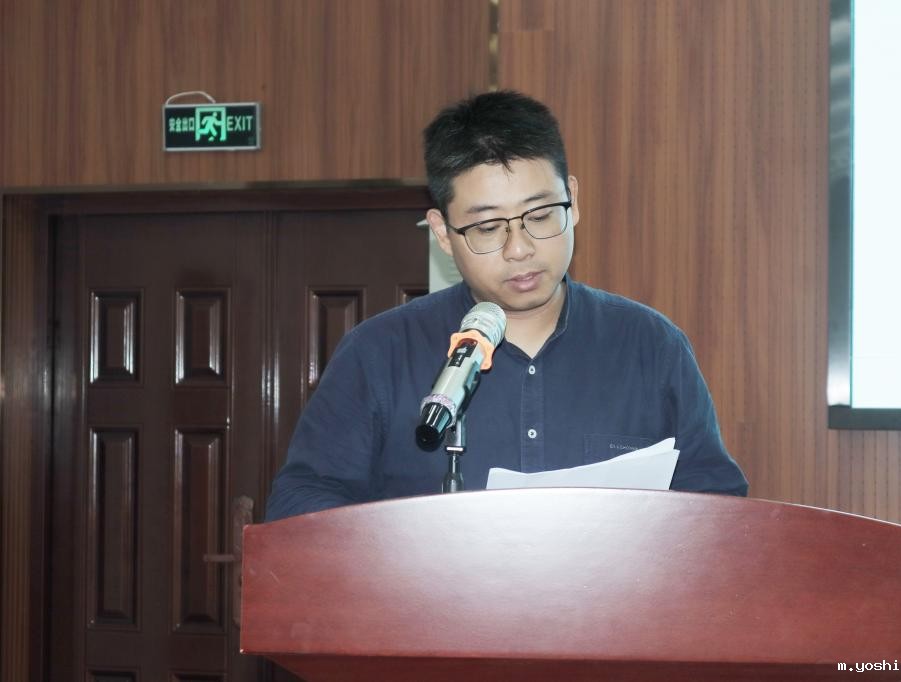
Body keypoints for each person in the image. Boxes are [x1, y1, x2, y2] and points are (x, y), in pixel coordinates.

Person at [265, 91, 747, 521]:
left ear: (573, 199)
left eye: (540, 215)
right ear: (442, 233)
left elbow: (718, 507)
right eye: (488, 227)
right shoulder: (378, 353)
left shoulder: (651, 347)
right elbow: (300, 504)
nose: (520, 248)